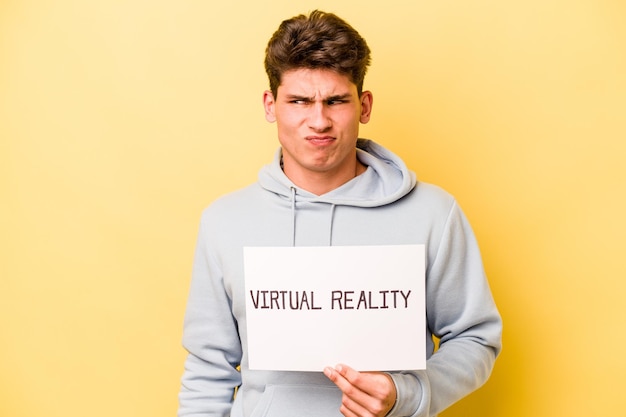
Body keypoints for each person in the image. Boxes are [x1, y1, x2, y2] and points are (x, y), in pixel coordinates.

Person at [178, 10, 502, 417]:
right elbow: (208, 372)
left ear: (363, 105)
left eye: (336, 101)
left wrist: (409, 394)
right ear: (270, 105)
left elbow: (476, 338)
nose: (319, 121)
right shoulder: (224, 222)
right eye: (299, 101)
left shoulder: (433, 214)